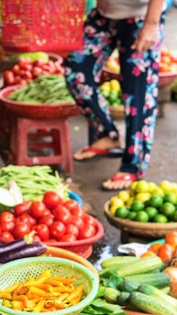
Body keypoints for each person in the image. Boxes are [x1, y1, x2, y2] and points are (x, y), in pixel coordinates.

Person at [64, 0, 170, 191]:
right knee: (76, 71)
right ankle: (108, 133)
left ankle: (133, 166)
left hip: (141, 16)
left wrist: (151, 24)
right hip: (104, 13)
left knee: (137, 95)